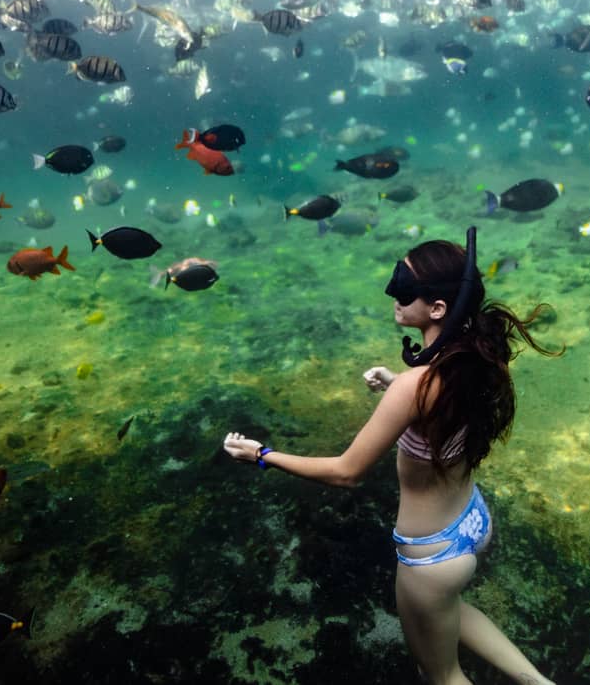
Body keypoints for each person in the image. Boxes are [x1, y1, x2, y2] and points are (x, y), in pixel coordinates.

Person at [223, 228, 562, 685]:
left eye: (404, 286)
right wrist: (396, 384)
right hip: (470, 521)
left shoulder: (415, 388)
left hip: (430, 557)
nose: (393, 294)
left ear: (438, 308)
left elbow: (346, 473)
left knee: (440, 673)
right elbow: (437, 408)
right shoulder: (476, 359)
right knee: (450, 610)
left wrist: (262, 455)